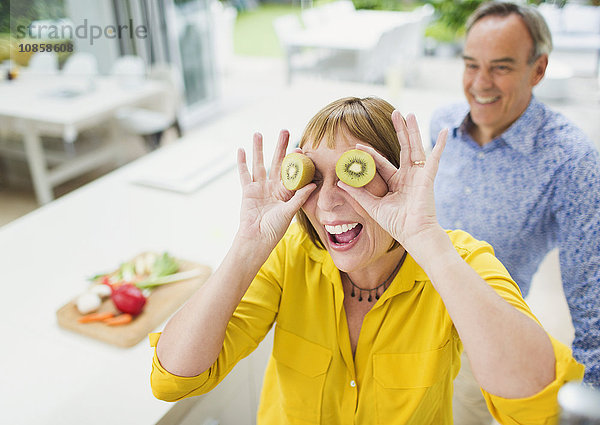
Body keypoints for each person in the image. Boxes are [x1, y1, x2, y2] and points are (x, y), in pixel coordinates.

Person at [150, 96, 583, 424]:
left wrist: (423, 236)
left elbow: (537, 401)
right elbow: (173, 378)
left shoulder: (456, 259)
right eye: (313, 177)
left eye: (352, 173)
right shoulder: (289, 256)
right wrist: (247, 245)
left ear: (398, 177)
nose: (328, 202)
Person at [430, 1, 600, 423]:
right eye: (471, 65)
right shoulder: (440, 124)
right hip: (394, 318)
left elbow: (590, 297)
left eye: (501, 68)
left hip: (475, 345)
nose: (480, 83)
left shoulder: (570, 159)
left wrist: (590, 401)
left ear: (538, 69)